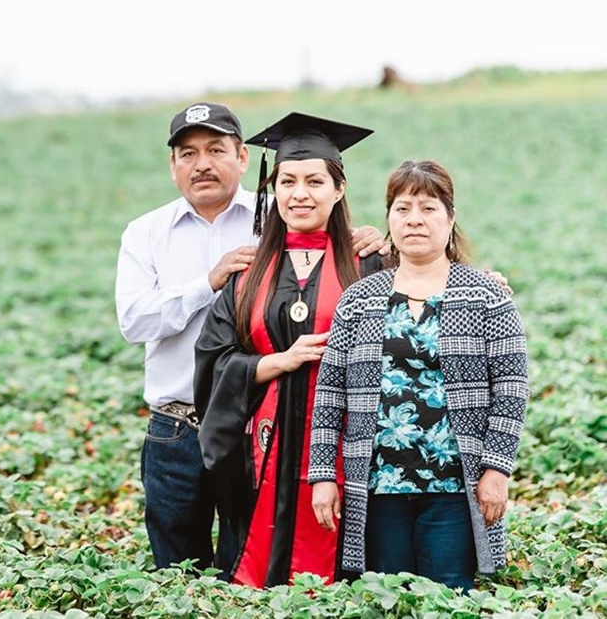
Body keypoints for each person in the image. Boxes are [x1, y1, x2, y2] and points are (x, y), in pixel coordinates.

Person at [116, 103, 385, 577]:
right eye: (188, 153)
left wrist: (375, 242)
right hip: (181, 427)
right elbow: (135, 322)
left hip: (275, 437)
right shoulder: (147, 233)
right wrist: (210, 282)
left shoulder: (273, 222)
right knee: (182, 569)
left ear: (243, 158)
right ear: (173, 164)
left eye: (216, 149)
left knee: (261, 551)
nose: (202, 163)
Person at [308, 159, 529, 590]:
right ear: (389, 218)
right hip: (377, 486)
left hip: (453, 486)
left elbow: (511, 390)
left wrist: (496, 470)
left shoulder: (486, 295)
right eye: (403, 208)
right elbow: (330, 393)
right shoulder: (360, 299)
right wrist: (322, 476)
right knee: (386, 595)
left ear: (450, 217)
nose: (414, 220)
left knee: (448, 594)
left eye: (428, 208)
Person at [193, 111, 384, 587]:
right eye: (288, 181)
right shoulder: (248, 272)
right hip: (262, 452)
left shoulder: (372, 264)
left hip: (347, 448)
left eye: (315, 181)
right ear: (272, 189)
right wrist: (274, 362)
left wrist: (489, 285)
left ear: (338, 190)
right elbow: (213, 360)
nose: (300, 194)